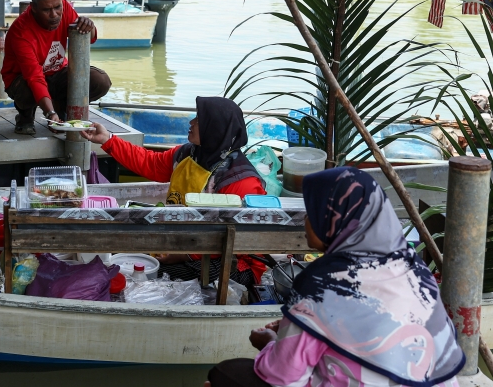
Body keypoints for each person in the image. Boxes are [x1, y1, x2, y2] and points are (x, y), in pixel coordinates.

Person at [206, 167, 464, 387]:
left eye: (313, 212)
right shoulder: (413, 269)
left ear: (337, 220)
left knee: (226, 373)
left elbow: (284, 377)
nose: (307, 220)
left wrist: (270, 343)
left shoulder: (325, 287)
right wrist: (299, 324)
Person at [81, 96, 267, 286]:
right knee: (126, 252)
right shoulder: (189, 153)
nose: (191, 122)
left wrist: (183, 254)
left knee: (151, 272)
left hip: (233, 259)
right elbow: (149, 162)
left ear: (214, 129)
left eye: (199, 120)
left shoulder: (240, 181)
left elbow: (237, 237)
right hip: (186, 239)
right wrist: (107, 139)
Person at [1, 0, 111, 135]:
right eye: (46, 10)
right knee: (28, 89)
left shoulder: (64, 8)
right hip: (22, 79)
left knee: (99, 80)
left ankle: (61, 107)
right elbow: (34, 77)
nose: (54, 14)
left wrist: (89, 26)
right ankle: (26, 115)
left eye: (57, 7)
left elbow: (91, 38)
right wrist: (49, 113)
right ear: (33, 8)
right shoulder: (21, 32)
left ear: (62, 1)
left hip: (57, 72)